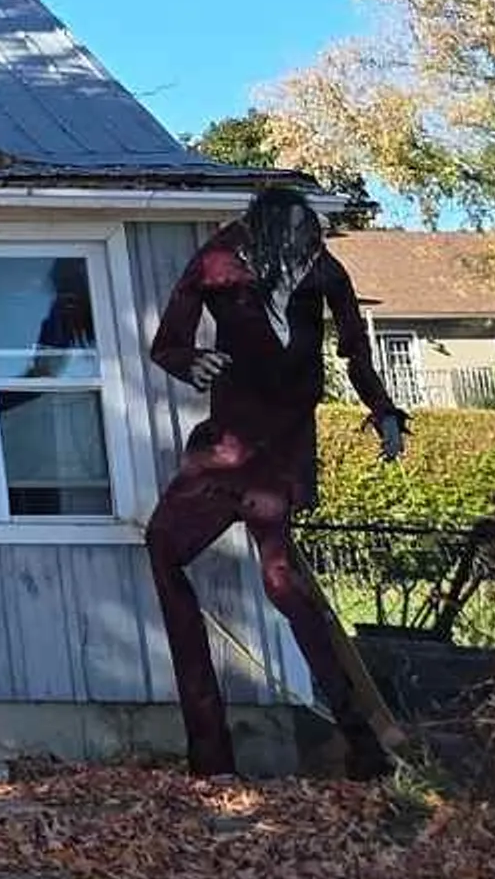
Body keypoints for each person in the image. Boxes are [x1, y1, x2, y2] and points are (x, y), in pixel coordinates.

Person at [144, 183, 411, 779]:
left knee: (284, 584)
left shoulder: (322, 271)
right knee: (164, 547)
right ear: (262, 230)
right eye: (286, 234)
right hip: (226, 446)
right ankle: (209, 751)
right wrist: (193, 361)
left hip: (283, 446)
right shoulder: (220, 260)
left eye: (305, 234)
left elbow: (356, 350)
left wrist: (384, 409)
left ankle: (361, 743)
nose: (298, 245)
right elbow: (168, 342)